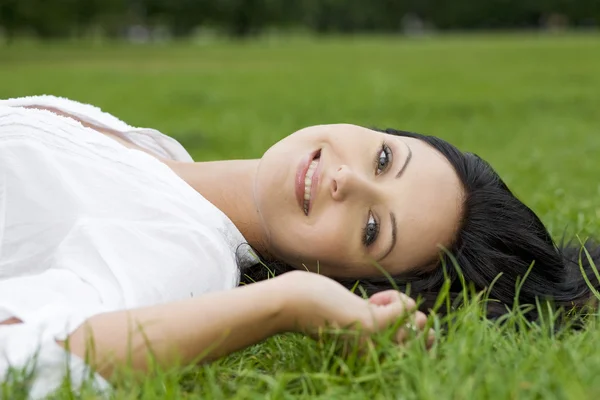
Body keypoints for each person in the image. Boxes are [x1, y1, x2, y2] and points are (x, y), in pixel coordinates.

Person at [0, 96, 597, 397]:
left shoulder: (180, 252)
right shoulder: (164, 160)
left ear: (348, 280)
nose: (349, 181)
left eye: (371, 229)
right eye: (385, 159)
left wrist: (288, 303)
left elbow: (27, 355)